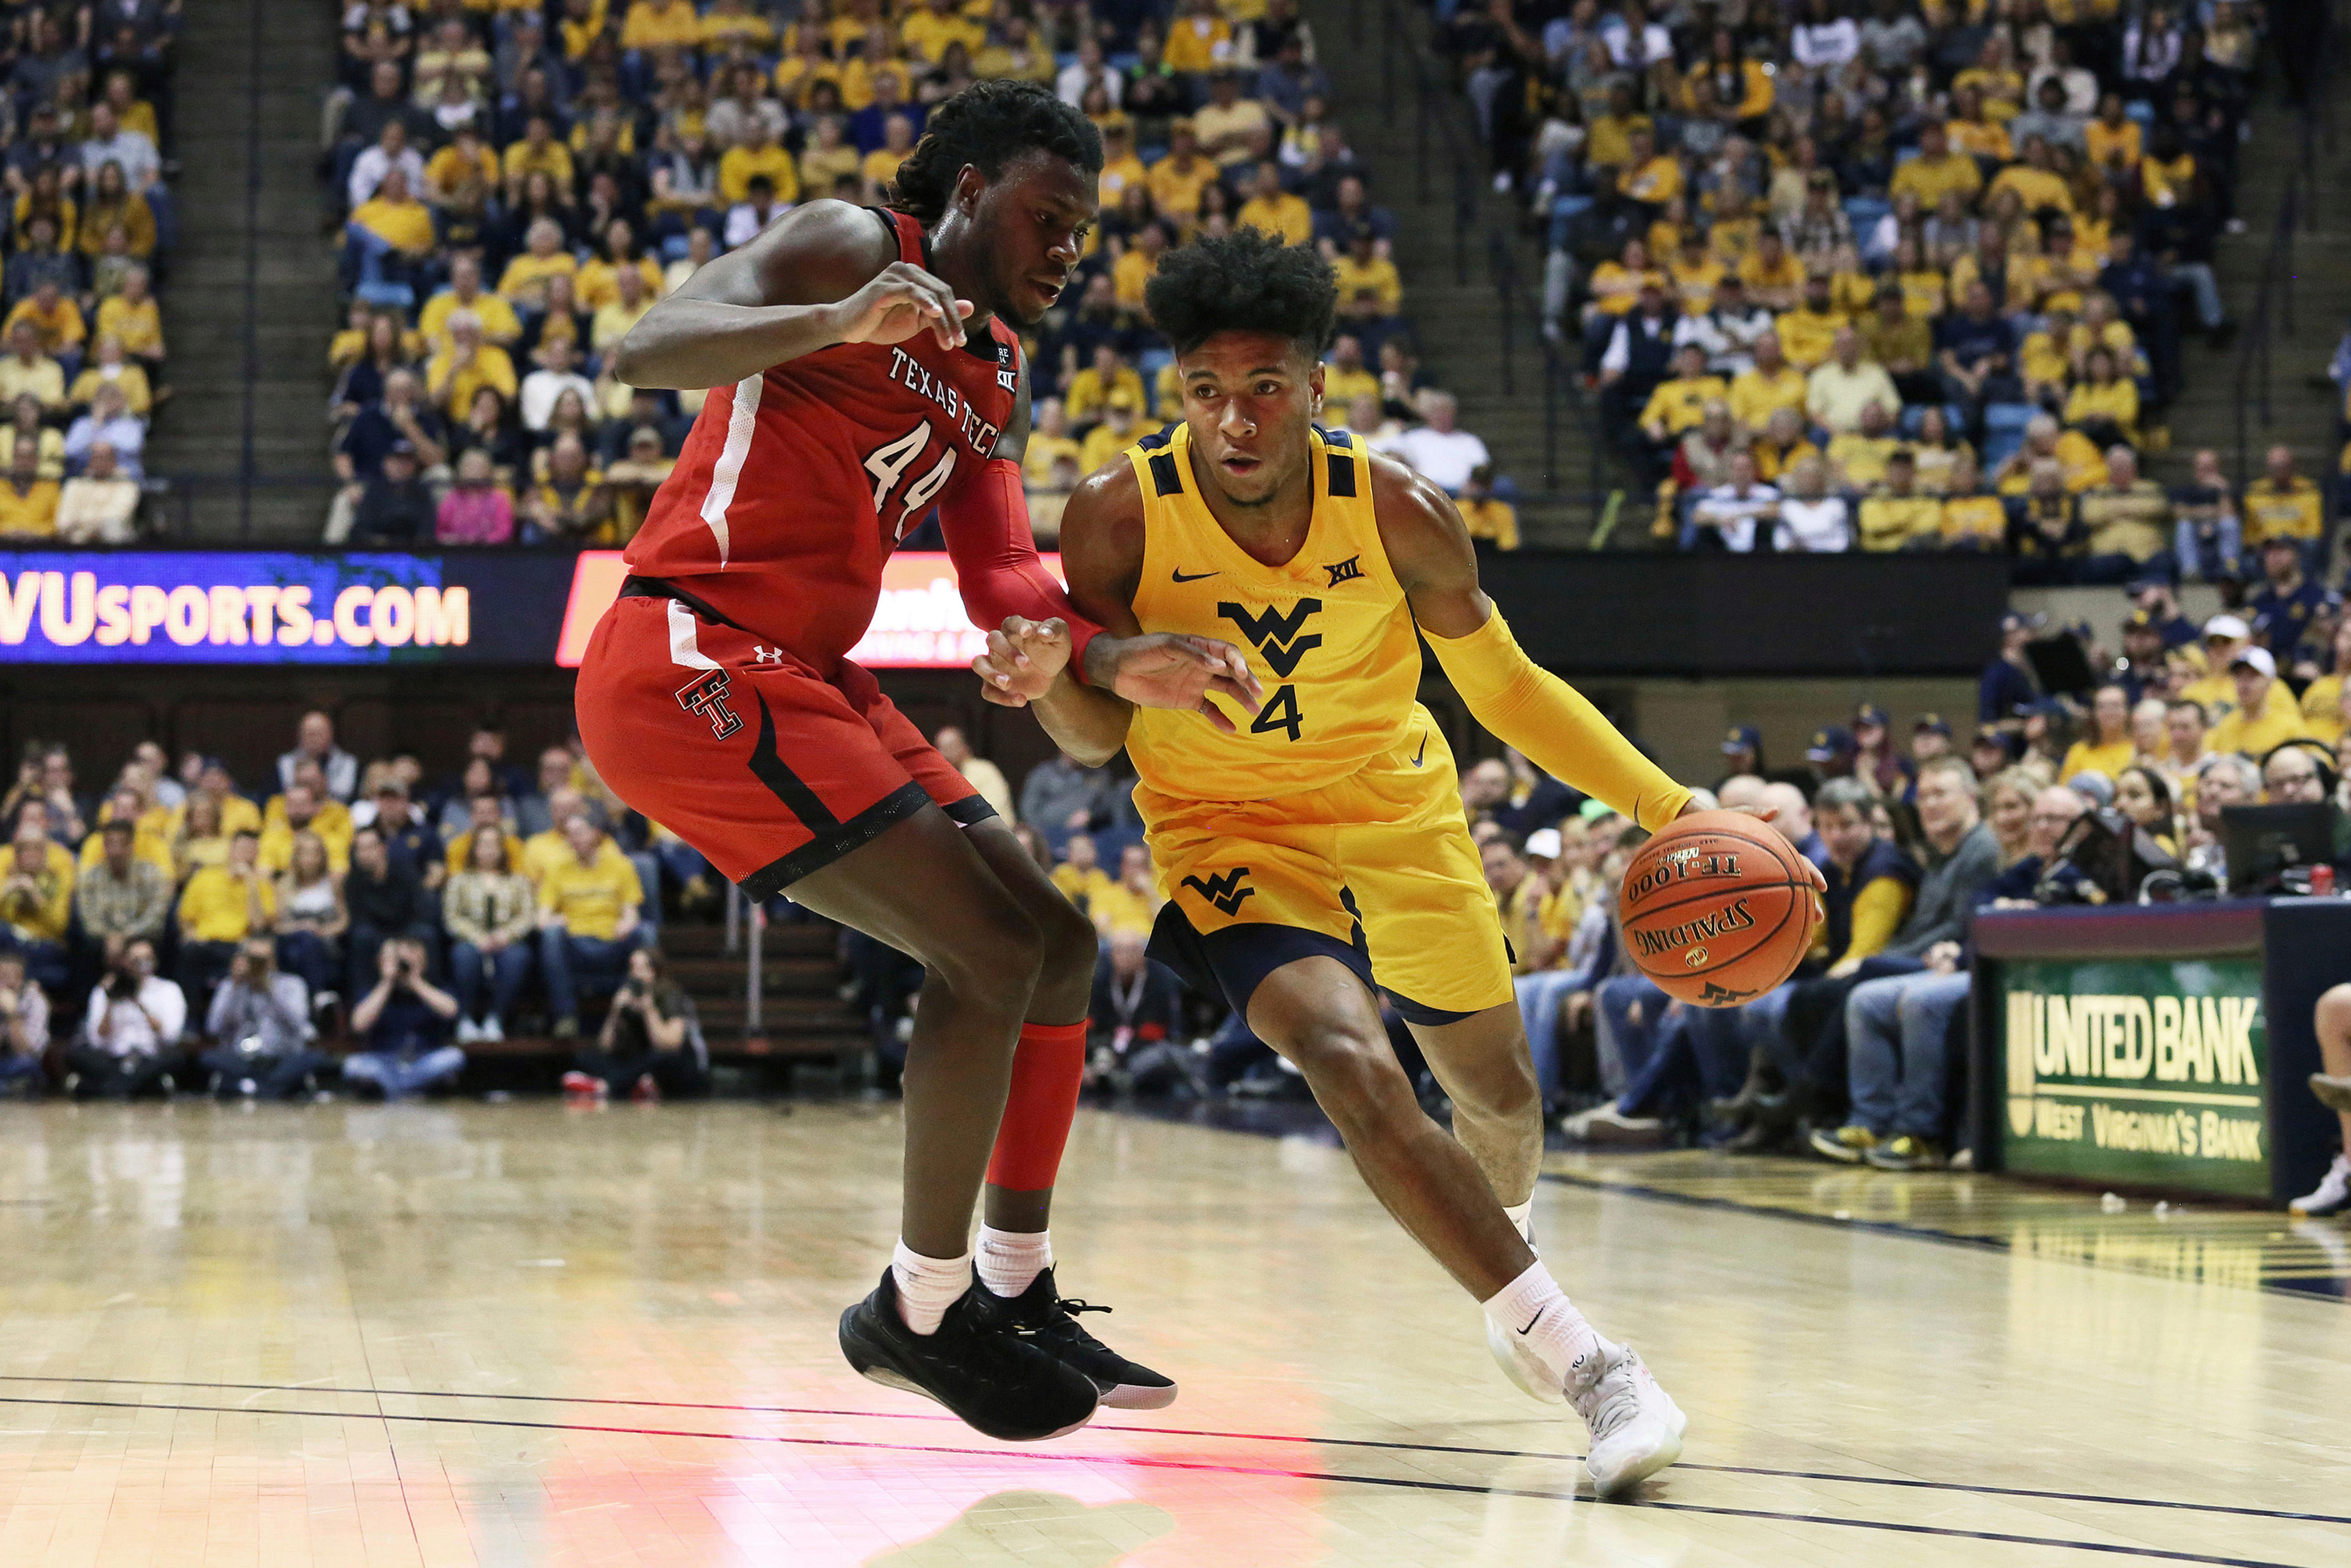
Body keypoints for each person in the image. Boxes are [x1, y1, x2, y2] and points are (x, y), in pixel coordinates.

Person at [973, 230, 1811, 1494]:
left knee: (1501, 1102)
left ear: (1317, 386)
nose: (1234, 420)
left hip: (1394, 809)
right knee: (1346, 1057)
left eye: (1264, 388)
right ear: (1177, 394)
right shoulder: (1116, 512)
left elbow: (1507, 690)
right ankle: (1592, 1366)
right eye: (1206, 391)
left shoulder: (1398, 508)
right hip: (1227, 830)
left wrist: (1672, 805)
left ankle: (1503, 1258)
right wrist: (1052, 680)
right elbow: (1094, 734)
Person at [575, 80, 1243, 1437]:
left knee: (1053, 945)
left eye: (1084, 228)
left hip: (813, 674)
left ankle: (1012, 1286)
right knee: (983, 954)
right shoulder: (846, 243)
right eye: (1049, 217)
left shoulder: (996, 365)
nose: (1069, 248)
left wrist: (1109, 658)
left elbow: (1000, 575)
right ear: (969, 193)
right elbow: (645, 349)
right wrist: (836, 320)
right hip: (691, 650)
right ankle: (918, 1309)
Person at [565, 946, 707, 1102]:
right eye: (632, 968)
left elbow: (670, 1045)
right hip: (640, 1062)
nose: (635, 974)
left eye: (641, 969)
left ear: (654, 971)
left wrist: (649, 1010)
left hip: (676, 1064)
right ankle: (640, 1085)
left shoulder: (671, 996)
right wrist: (615, 1011)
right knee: (586, 1058)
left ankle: (606, 1086)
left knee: (660, 1059)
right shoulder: (629, 996)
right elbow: (605, 1046)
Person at [200, 938, 329, 1099]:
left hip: (282, 1056)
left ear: (274, 960)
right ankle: (271, 1089)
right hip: (241, 1057)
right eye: (253, 960)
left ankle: (248, 1087)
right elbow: (214, 1028)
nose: (258, 965)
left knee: (312, 1058)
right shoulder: (230, 986)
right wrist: (236, 987)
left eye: (263, 960)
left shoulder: (292, 984)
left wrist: (271, 990)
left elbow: (299, 1024)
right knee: (209, 1057)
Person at [444, 827, 536, 1043]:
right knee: (463, 955)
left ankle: (496, 1018)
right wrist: (478, 938)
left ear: (502, 849)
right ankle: (465, 1019)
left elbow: (527, 915)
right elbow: (452, 918)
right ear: (474, 849)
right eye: (483, 844)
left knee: (519, 957)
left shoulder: (518, 881)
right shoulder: (459, 881)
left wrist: (506, 935)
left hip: (507, 941)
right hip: (471, 941)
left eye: (494, 844)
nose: (488, 850)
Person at [343, 937, 464, 1099]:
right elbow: (359, 1025)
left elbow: (451, 1011)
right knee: (353, 1065)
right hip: (384, 1063)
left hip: (423, 1060)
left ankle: (395, 1092)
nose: (404, 966)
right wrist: (388, 982)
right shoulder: (374, 989)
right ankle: (411, 1091)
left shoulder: (434, 986)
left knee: (453, 1057)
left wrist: (415, 982)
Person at [74, 938, 183, 1098]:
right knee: (77, 1054)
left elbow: (170, 1037)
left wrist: (139, 1001)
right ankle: (136, 1086)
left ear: (155, 961)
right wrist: (110, 1000)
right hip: (113, 1058)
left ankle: (110, 1088)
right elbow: (96, 1040)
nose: (141, 965)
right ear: (125, 961)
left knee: (176, 1058)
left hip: (149, 1058)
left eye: (147, 959)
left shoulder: (169, 989)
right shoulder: (106, 989)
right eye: (136, 960)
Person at [0, 950, 48, 1093]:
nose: (7, 983)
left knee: (28, 1065)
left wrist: (12, 1015)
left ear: (22, 980)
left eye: (13, 977)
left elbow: (26, 1051)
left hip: (18, 1061)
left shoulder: (36, 1001)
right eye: (2, 977)